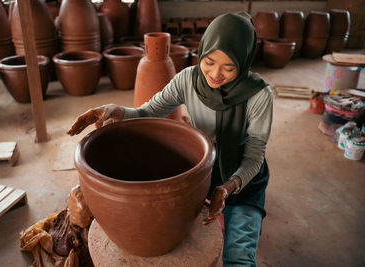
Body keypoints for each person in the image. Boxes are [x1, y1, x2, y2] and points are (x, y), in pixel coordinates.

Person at [68, 12, 273, 267]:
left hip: (242, 179)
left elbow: (254, 157)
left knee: (238, 257)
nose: (215, 74)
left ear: (244, 63)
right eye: (209, 61)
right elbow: (147, 113)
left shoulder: (259, 95)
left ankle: (238, 218)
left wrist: (228, 188)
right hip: (206, 171)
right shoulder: (189, 79)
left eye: (228, 67)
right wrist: (115, 110)